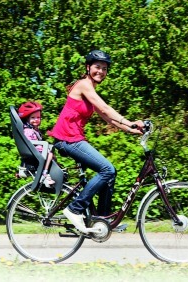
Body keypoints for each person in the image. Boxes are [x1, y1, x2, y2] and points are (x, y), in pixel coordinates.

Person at [48, 50, 144, 233]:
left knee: (110, 173)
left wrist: (132, 130)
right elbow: (105, 108)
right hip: (67, 139)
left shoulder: (90, 90)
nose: (100, 71)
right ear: (88, 67)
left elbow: (107, 118)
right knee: (107, 169)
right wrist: (130, 121)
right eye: (97, 67)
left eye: (104, 69)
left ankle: (102, 221)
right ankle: (74, 209)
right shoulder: (84, 85)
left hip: (74, 138)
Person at [18, 101, 56, 187]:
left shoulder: (34, 130)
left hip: (36, 151)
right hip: (34, 152)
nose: (36, 119)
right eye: (33, 117)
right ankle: (44, 174)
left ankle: (48, 173)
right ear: (27, 119)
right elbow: (31, 143)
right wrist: (44, 147)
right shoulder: (28, 131)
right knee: (49, 154)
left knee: (51, 153)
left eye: (38, 117)